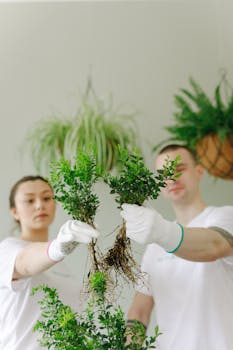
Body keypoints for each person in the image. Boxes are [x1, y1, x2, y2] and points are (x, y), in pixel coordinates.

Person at [121, 144, 233, 350]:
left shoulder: (225, 216)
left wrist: (163, 232)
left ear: (198, 172)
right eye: (164, 173)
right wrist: (129, 346)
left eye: (179, 169)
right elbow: (139, 311)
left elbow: (215, 245)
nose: (171, 178)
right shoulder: (154, 249)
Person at [0, 175, 99, 350]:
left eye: (46, 198)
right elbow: (25, 262)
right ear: (14, 211)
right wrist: (56, 248)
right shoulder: (8, 249)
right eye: (29, 200)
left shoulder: (62, 265)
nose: (40, 205)